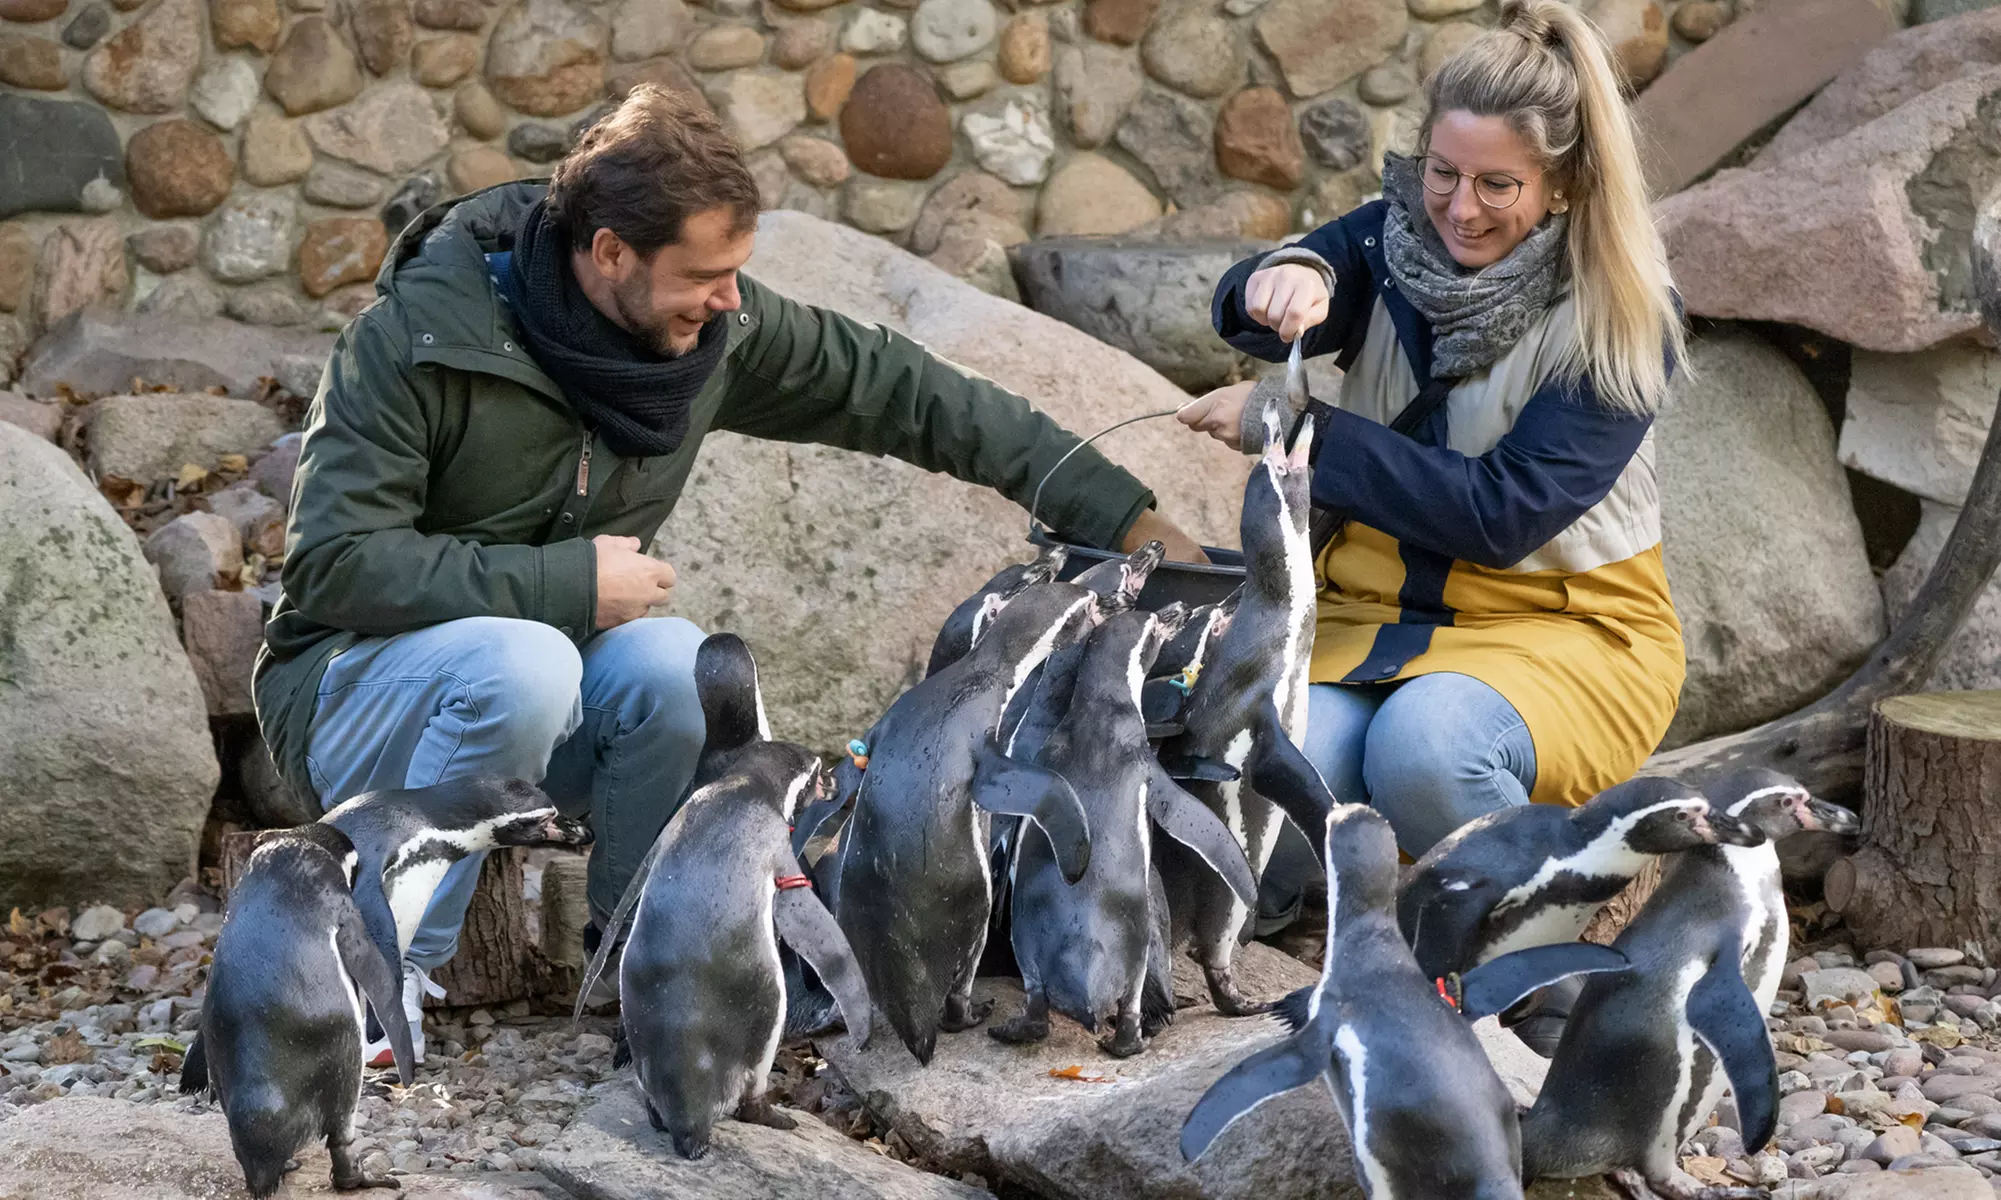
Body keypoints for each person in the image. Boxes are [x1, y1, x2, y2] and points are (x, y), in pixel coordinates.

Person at [253, 84, 1205, 1065]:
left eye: (736, 272)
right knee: (527, 664)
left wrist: (1127, 518)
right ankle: (379, 980)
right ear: (610, 251)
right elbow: (333, 567)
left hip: (526, 713)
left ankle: (641, 965)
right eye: (705, 275)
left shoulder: (707, 339)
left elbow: (916, 397)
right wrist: (567, 586)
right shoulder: (414, 341)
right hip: (352, 700)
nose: (730, 300)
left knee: (677, 668)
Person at [1179, 0, 1687, 942]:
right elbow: (1260, 303)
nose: (1458, 208)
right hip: (1370, 618)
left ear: (1563, 183)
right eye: (1442, 173)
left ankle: (1527, 953)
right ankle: (1305, 937)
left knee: (1423, 750)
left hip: (1561, 630)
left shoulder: (1619, 316)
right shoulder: (1391, 237)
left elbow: (1501, 517)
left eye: (1497, 185)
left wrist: (1293, 425)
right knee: (1270, 753)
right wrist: (1283, 277)